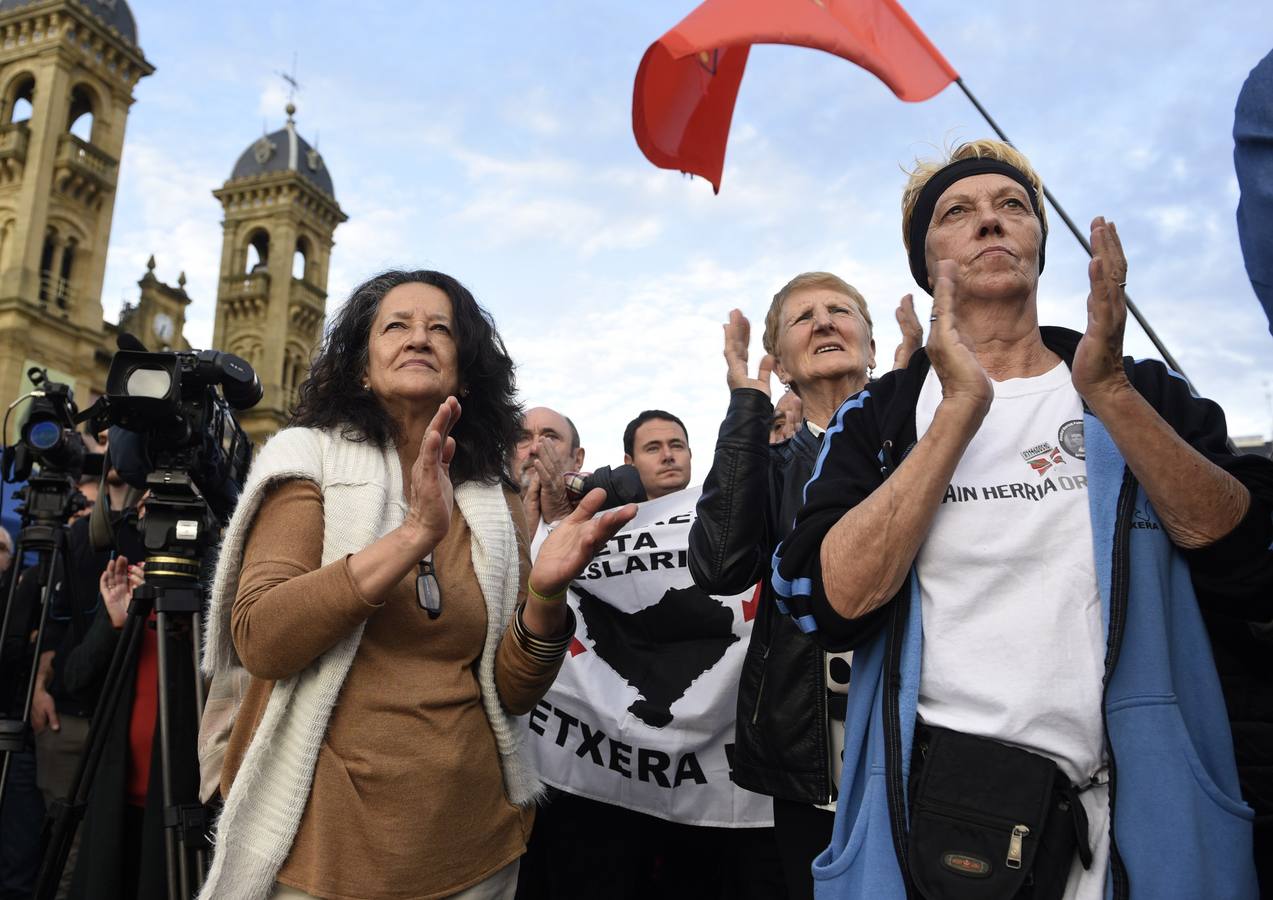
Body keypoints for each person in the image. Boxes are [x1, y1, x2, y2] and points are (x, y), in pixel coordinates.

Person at [771, 139, 1272, 899]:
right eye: (958, 212)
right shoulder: (884, 413)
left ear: (1039, 243)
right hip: (947, 824)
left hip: (1141, 818)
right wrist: (959, 413)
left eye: (1012, 207)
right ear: (925, 260)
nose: (990, 223)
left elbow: (1249, 558)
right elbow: (822, 601)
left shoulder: (1136, 386)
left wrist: (1106, 393)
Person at [197, 270, 635, 900]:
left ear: (465, 370)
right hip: (324, 854)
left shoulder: (492, 494)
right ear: (360, 365)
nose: (419, 338)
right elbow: (263, 640)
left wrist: (544, 593)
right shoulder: (306, 461)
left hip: (477, 849)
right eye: (396, 325)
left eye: (441, 329)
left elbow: (511, 690)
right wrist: (412, 536)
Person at [689, 274, 920, 900]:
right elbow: (718, 567)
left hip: (927, 740)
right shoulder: (770, 462)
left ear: (872, 349)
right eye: (803, 318)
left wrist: (914, 389)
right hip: (810, 758)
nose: (823, 323)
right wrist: (746, 401)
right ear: (783, 365)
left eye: (840, 311)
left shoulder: (924, 437)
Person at [513, 406, 586, 529]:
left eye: (551, 437)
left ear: (578, 459)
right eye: (523, 438)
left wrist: (560, 517)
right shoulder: (478, 519)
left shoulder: (607, 515)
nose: (535, 448)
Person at [622, 410, 692, 499]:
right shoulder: (608, 512)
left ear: (690, 454)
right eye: (653, 449)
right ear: (629, 462)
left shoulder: (713, 510)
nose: (668, 455)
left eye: (676, 446)